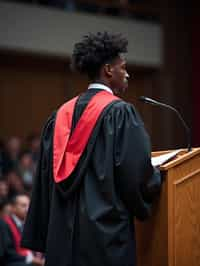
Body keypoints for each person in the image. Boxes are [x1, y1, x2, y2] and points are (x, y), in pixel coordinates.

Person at [21, 31, 161, 266]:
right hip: (105, 240)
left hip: (61, 242)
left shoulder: (59, 117)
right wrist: (156, 179)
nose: (127, 74)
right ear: (108, 70)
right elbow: (136, 177)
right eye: (123, 67)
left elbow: (44, 182)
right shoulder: (120, 114)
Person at [3, 194, 44, 266]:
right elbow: (7, 251)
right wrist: (31, 259)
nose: (27, 209)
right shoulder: (4, 224)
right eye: (23, 205)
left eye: (29, 205)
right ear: (13, 207)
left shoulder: (29, 224)